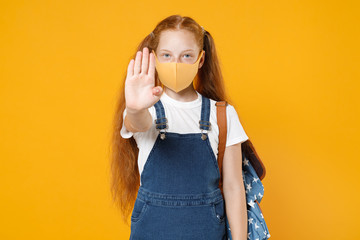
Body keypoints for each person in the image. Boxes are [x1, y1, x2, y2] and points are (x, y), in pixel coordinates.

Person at [110, 15, 249, 240]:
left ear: (200, 59)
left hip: (206, 230)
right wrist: (134, 108)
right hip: (153, 230)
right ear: (154, 58)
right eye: (167, 55)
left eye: (187, 56)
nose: (176, 64)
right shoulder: (146, 110)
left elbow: (234, 187)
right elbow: (136, 123)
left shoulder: (222, 114)